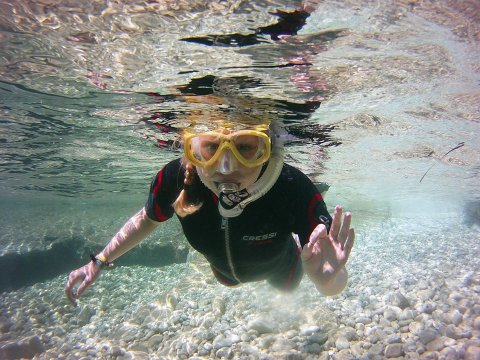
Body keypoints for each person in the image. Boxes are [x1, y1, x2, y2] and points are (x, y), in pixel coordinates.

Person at [65, 119, 355, 306]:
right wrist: (100, 260)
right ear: (192, 148)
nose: (225, 167)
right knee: (227, 280)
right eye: (211, 148)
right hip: (223, 274)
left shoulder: (293, 187)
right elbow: (146, 219)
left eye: (245, 148)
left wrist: (327, 281)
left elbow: (332, 281)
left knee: (287, 290)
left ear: (268, 149)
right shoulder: (175, 179)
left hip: (282, 270)